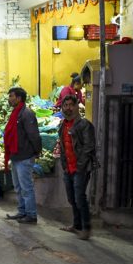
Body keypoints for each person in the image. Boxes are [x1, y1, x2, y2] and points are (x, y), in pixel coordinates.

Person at [57, 95, 96, 240]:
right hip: (68, 169)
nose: (68, 108)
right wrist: (64, 166)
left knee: (80, 197)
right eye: (65, 105)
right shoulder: (62, 125)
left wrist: (80, 166)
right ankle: (77, 225)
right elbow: (62, 147)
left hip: (81, 169)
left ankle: (86, 228)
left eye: (70, 105)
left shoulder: (84, 125)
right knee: (72, 198)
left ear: (76, 106)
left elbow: (89, 147)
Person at [4, 87, 42, 224]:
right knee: (18, 187)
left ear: (19, 98)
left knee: (26, 187)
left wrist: (37, 151)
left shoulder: (26, 114)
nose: (9, 98)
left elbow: (33, 135)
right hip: (16, 155)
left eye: (11, 96)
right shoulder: (16, 113)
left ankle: (31, 215)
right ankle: (22, 211)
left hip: (24, 156)